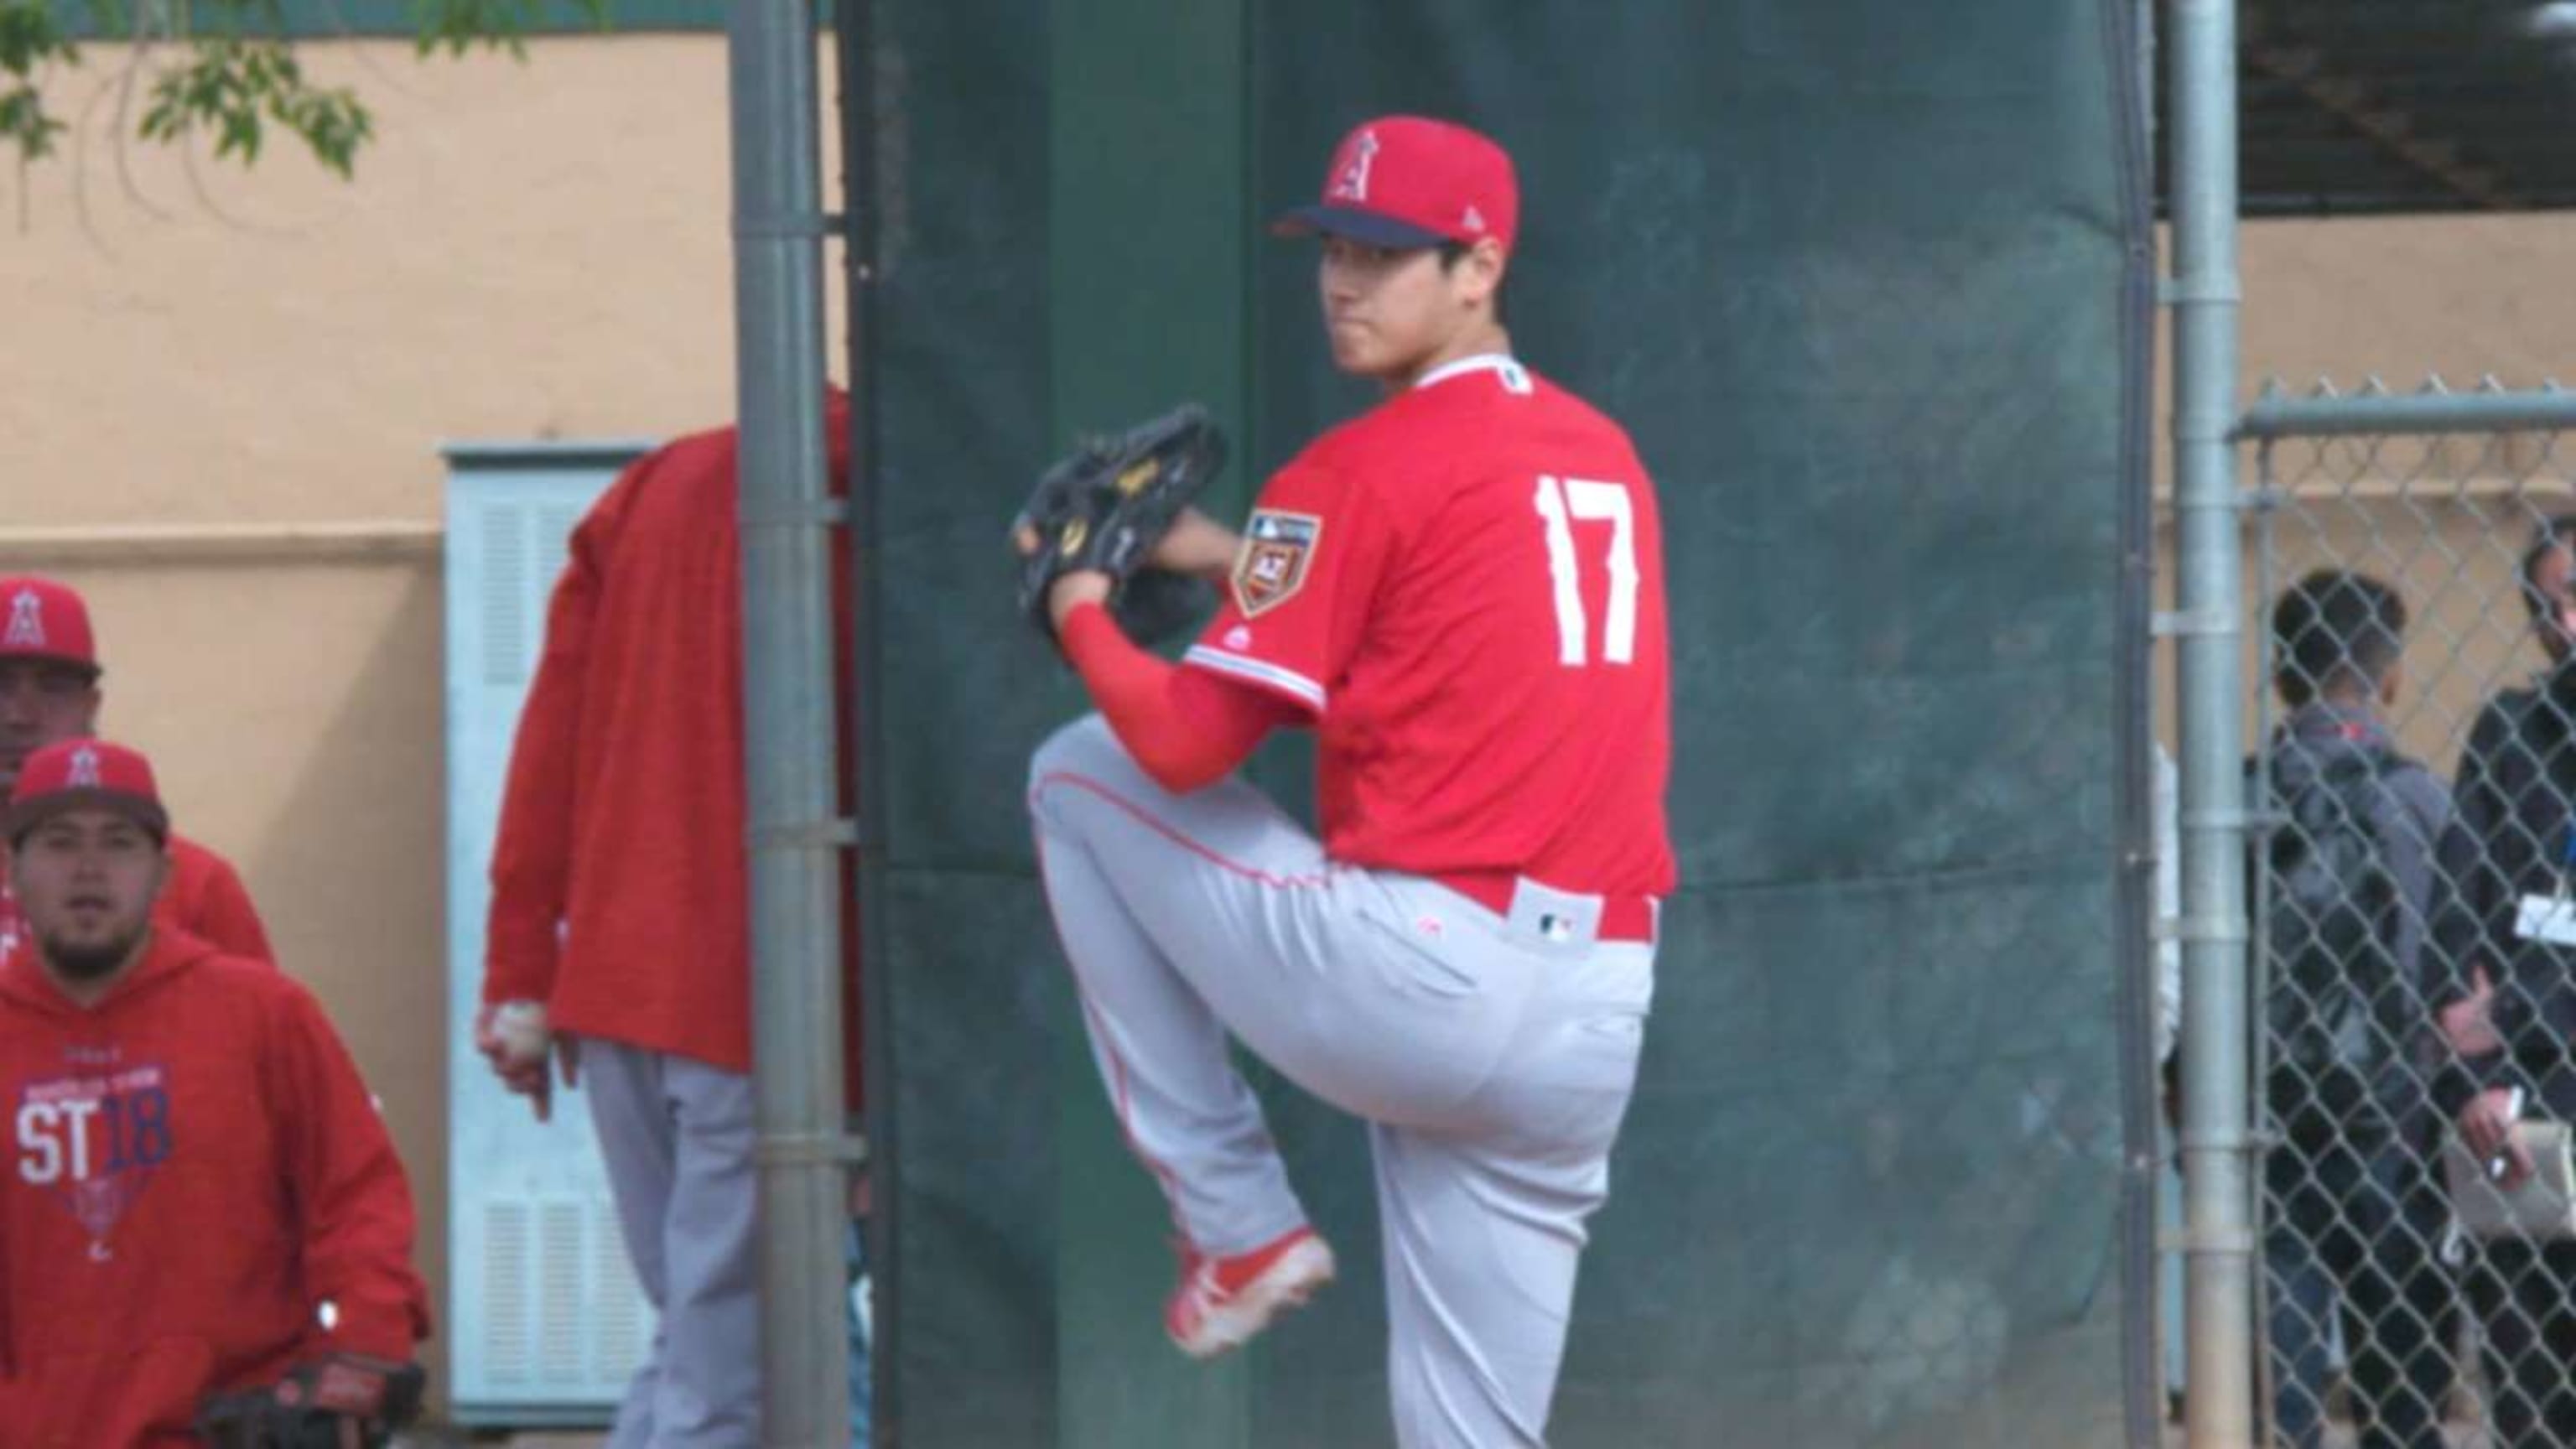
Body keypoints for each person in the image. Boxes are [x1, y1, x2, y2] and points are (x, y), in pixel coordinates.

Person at [1024, 115, 1671, 1447]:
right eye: (1333, 247)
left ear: (1478, 266)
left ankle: (1237, 1222)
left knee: (1076, 773)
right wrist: (1222, 552)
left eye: (1385, 255)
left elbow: (1184, 746)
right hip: (1593, 1013)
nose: (1343, 281)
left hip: (1423, 978)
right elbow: (1430, 597)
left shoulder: (1354, 473)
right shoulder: (1602, 452)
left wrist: (1085, 606)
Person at [479, 396, 869, 1446]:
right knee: (733, 1372)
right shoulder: (889, 495)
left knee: (702, 1346)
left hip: (616, 991)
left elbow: (546, 743)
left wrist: (519, 972)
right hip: (766, 1003)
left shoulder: (650, 488)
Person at [0, 738, 428, 1444]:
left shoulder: (266, 1015)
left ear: (163, 873)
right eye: (57, 842)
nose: (87, 869)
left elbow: (356, 1197)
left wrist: (363, 1351)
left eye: (118, 843)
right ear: (13, 873)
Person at [2251, 570, 2458, 1449]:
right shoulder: (2422, 802)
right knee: (2403, 1382)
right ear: (2393, 677)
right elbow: (2453, 961)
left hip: (2268, 1126)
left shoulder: (2242, 800)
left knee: (2278, 1387)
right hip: (2396, 1127)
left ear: (2278, 675)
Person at [2432, 514, 2576, 1447]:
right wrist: (2467, 1066)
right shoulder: (2512, 733)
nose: (2569, 622)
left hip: (2527, 1032)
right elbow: (2458, 904)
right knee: (2529, 1391)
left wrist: (2513, 1007)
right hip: (2524, 1112)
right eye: (2553, 601)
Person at [0, 574, 273, 964]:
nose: (19, 716)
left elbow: (254, 1019)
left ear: (90, 707)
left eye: (53, 687)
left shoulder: (194, 883)